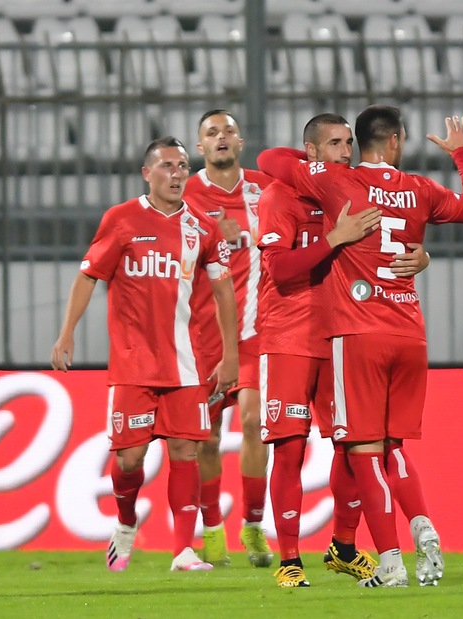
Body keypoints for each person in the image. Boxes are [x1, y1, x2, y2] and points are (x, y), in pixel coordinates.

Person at [258, 106, 463, 587]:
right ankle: (291, 559)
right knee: (301, 448)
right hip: (303, 335)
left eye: (349, 143)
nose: (344, 152)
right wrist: (338, 238)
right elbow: (279, 269)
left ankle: (356, 549)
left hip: (351, 333)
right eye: (334, 145)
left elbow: (269, 157)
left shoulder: (344, 185)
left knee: (359, 449)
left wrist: (419, 255)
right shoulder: (297, 192)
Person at [51, 136, 239, 573]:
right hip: (133, 365)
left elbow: (224, 289)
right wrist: (67, 333)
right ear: (146, 174)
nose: (177, 174)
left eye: (183, 166)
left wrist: (230, 354)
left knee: (186, 452)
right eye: (167, 166)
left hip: (187, 364)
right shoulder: (121, 220)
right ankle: (125, 521)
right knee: (129, 459)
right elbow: (89, 276)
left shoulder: (203, 227)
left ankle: (182, 551)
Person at [182, 109, 274, 568]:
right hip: (203, 335)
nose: (221, 138)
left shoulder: (265, 187)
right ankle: (212, 530)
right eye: (211, 133)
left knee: (257, 423)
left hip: (257, 331)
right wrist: (216, 235)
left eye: (229, 131)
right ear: (200, 148)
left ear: (241, 142)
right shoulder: (186, 195)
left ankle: (254, 526)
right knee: (207, 439)